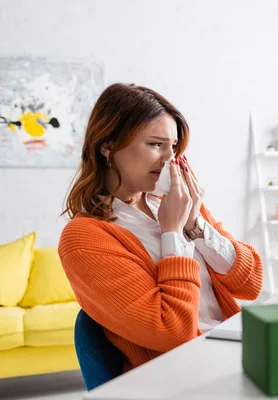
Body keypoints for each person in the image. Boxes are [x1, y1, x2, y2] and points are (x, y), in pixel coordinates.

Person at [59, 83, 263, 372]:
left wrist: (196, 226)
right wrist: (171, 233)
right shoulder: (85, 238)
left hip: (233, 356)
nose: (170, 159)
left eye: (174, 146)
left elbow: (251, 283)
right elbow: (172, 333)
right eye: (156, 144)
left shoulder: (175, 202)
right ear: (108, 145)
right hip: (183, 375)